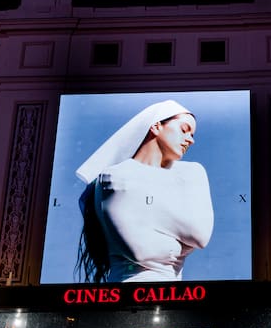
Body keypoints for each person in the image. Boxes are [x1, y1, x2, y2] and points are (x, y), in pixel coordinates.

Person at [75, 99, 214, 283]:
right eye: (184, 129)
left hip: (176, 297)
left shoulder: (191, 172)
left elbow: (200, 235)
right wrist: (181, 240)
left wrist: (144, 208)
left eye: (192, 134)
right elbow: (141, 251)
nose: (191, 139)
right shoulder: (115, 177)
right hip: (124, 296)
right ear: (156, 127)